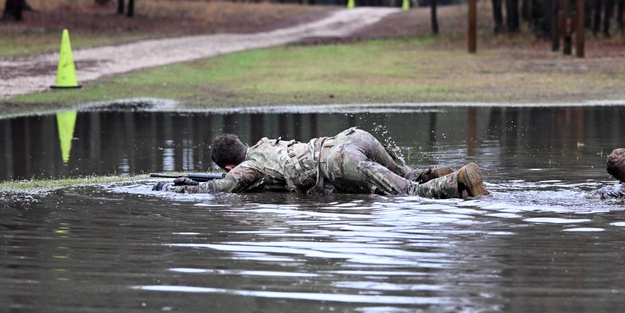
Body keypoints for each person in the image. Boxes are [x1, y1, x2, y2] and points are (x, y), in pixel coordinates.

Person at [153, 126, 489, 199]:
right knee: (406, 173)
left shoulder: (248, 168)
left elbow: (222, 188)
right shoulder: (267, 144)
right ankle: (440, 174)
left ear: (228, 165)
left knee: (410, 193)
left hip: (338, 161)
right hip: (352, 137)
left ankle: (457, 179)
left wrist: (178, 187)